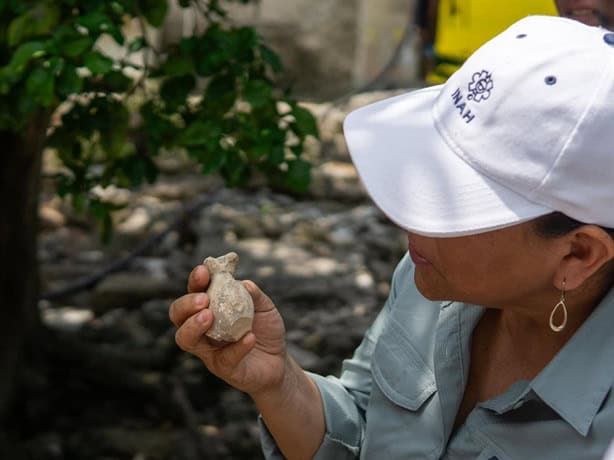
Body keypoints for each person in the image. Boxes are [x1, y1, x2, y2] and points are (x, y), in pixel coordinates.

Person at [169, 16, 614, 459]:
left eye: (454, 206)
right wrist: (278, 382)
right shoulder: (435, 278)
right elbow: (368, 428)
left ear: (578, 254)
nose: (411, 223)